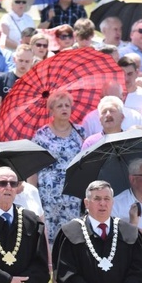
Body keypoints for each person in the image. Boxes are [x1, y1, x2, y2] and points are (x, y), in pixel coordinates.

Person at [30, 91, 85, 247]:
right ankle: (50, 266)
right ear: (51, 110)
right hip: (47, 197)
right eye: (59, 105)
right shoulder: (41, 135)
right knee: (49, 234)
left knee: (72, 233)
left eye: (67, 105)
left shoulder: (80, 132)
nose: (64, 108)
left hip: (72, 193)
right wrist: (32, 193)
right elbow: (33, 166)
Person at [0, 44, 33, 114]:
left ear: (31, 61)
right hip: (4, 121)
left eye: (27, 61)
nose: (23, 64)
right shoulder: (2, 79)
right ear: (14, 59)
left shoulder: (35, 82)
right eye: (21, 60)